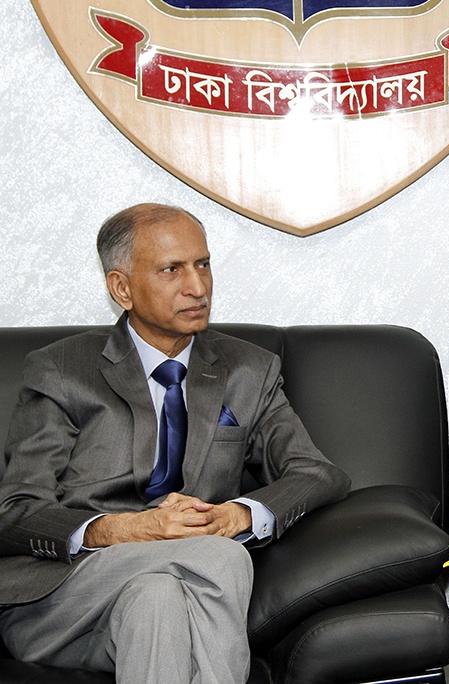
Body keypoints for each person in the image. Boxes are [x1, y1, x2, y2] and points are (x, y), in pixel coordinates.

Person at [0, 203, 351, 683]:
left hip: (160, 600)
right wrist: (129, 530)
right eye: (172, 270)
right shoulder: (62, 370)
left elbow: (316, 472)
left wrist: (238, 514)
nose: (198, 287)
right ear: (121, 288)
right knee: (220, 554)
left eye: (202, 264)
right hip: (63, 598)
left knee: (157, 597)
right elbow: (17, 509)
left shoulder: (248, 370)